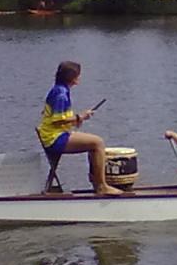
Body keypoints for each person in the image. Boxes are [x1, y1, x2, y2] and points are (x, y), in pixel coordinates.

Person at [36, 60, 122, 196]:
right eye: (78, 75)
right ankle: (102, 186)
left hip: (55, 135)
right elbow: (57, 120)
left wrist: (78, 119)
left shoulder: (60, 90)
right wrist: (79, 117)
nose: (79, 77)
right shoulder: (61, 95)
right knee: (98, 143)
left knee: (93, 143)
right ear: (72, 77)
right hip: (54, 139)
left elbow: (60, 118)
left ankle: (98, 184)